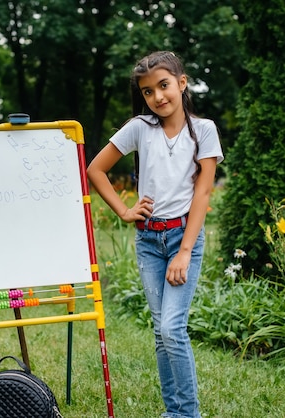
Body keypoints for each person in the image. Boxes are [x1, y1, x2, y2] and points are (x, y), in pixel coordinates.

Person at [87, 51, 223, 418]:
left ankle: (187, 414)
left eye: (163, 86)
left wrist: (185, 252)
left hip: (183, 239)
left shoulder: (204, 131)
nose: (157, 97)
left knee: (171, 327)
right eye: (148, 91)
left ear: (181, 83)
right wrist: (125, 211)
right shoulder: (138, 129)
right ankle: (173, 411)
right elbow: (95, 169)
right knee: (161, 333)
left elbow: (203, 194)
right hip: (148, 241)